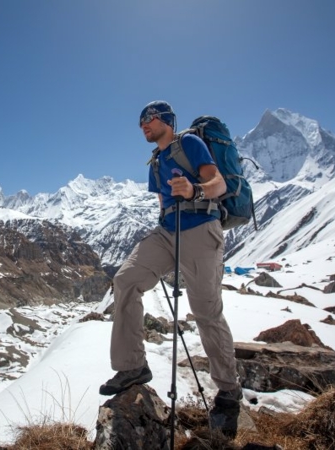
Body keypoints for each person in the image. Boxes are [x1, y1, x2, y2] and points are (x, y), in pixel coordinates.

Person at [99, 100, 242, 430]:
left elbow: (218, 184)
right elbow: (164, 203)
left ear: (166, 120)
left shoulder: (188, 144)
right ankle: (132, 366)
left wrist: (194, 190)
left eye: (148, 118)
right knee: (125, 281)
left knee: (206, 311)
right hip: (168, 231)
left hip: (200, 230)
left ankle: (229, 392)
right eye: (140, 122)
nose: (143, 125)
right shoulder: (155, 161)